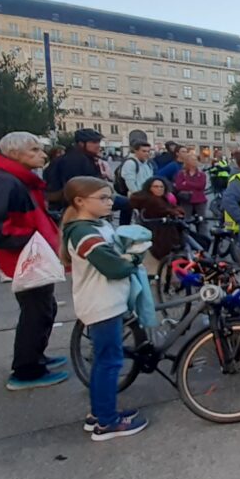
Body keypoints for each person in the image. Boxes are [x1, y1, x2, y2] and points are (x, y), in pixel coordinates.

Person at [0, 133, 68, 389]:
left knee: (43, 307)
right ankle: (26, 370)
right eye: (34, 150)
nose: (42, 154)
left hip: (30, 255)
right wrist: (31, 240)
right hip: (25, 258)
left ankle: (35, 356)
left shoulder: (15, 179)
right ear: (15, 154)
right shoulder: (4, 182)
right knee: (36, 311)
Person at [60, 176, 150, 440]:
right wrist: (134, 257)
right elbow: (113, 267)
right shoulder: (85, 232)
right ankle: (107, 423)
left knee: (105, 360)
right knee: (109, 362)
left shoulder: (92, 226)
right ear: (79, 201)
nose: (110, 202)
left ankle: (100, 413)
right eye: (102, 198)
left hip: (104, 301)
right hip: (102, 303)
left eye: (110, 197)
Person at [129, 177, 185, 263]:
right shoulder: (151, 200)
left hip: (162, 229)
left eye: (161, 187)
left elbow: (171, 208)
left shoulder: (160, 198)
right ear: (149, 188)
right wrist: (176, 212)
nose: (159, 189)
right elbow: (165, 210)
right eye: (155, 186)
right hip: (160, 232)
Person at [173, 149, 209, 235]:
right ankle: (186, 238)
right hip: (186, 199)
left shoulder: (201, 174)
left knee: (201, 220)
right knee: (186, 220)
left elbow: (201, 186)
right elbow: (179, 186)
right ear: (187, 162)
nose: (194, 162)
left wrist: (187, 183)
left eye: (195, 160)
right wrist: (193, 185)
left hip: (199, 200)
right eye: (192, 160)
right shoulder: (181, 173)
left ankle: (203, 239)